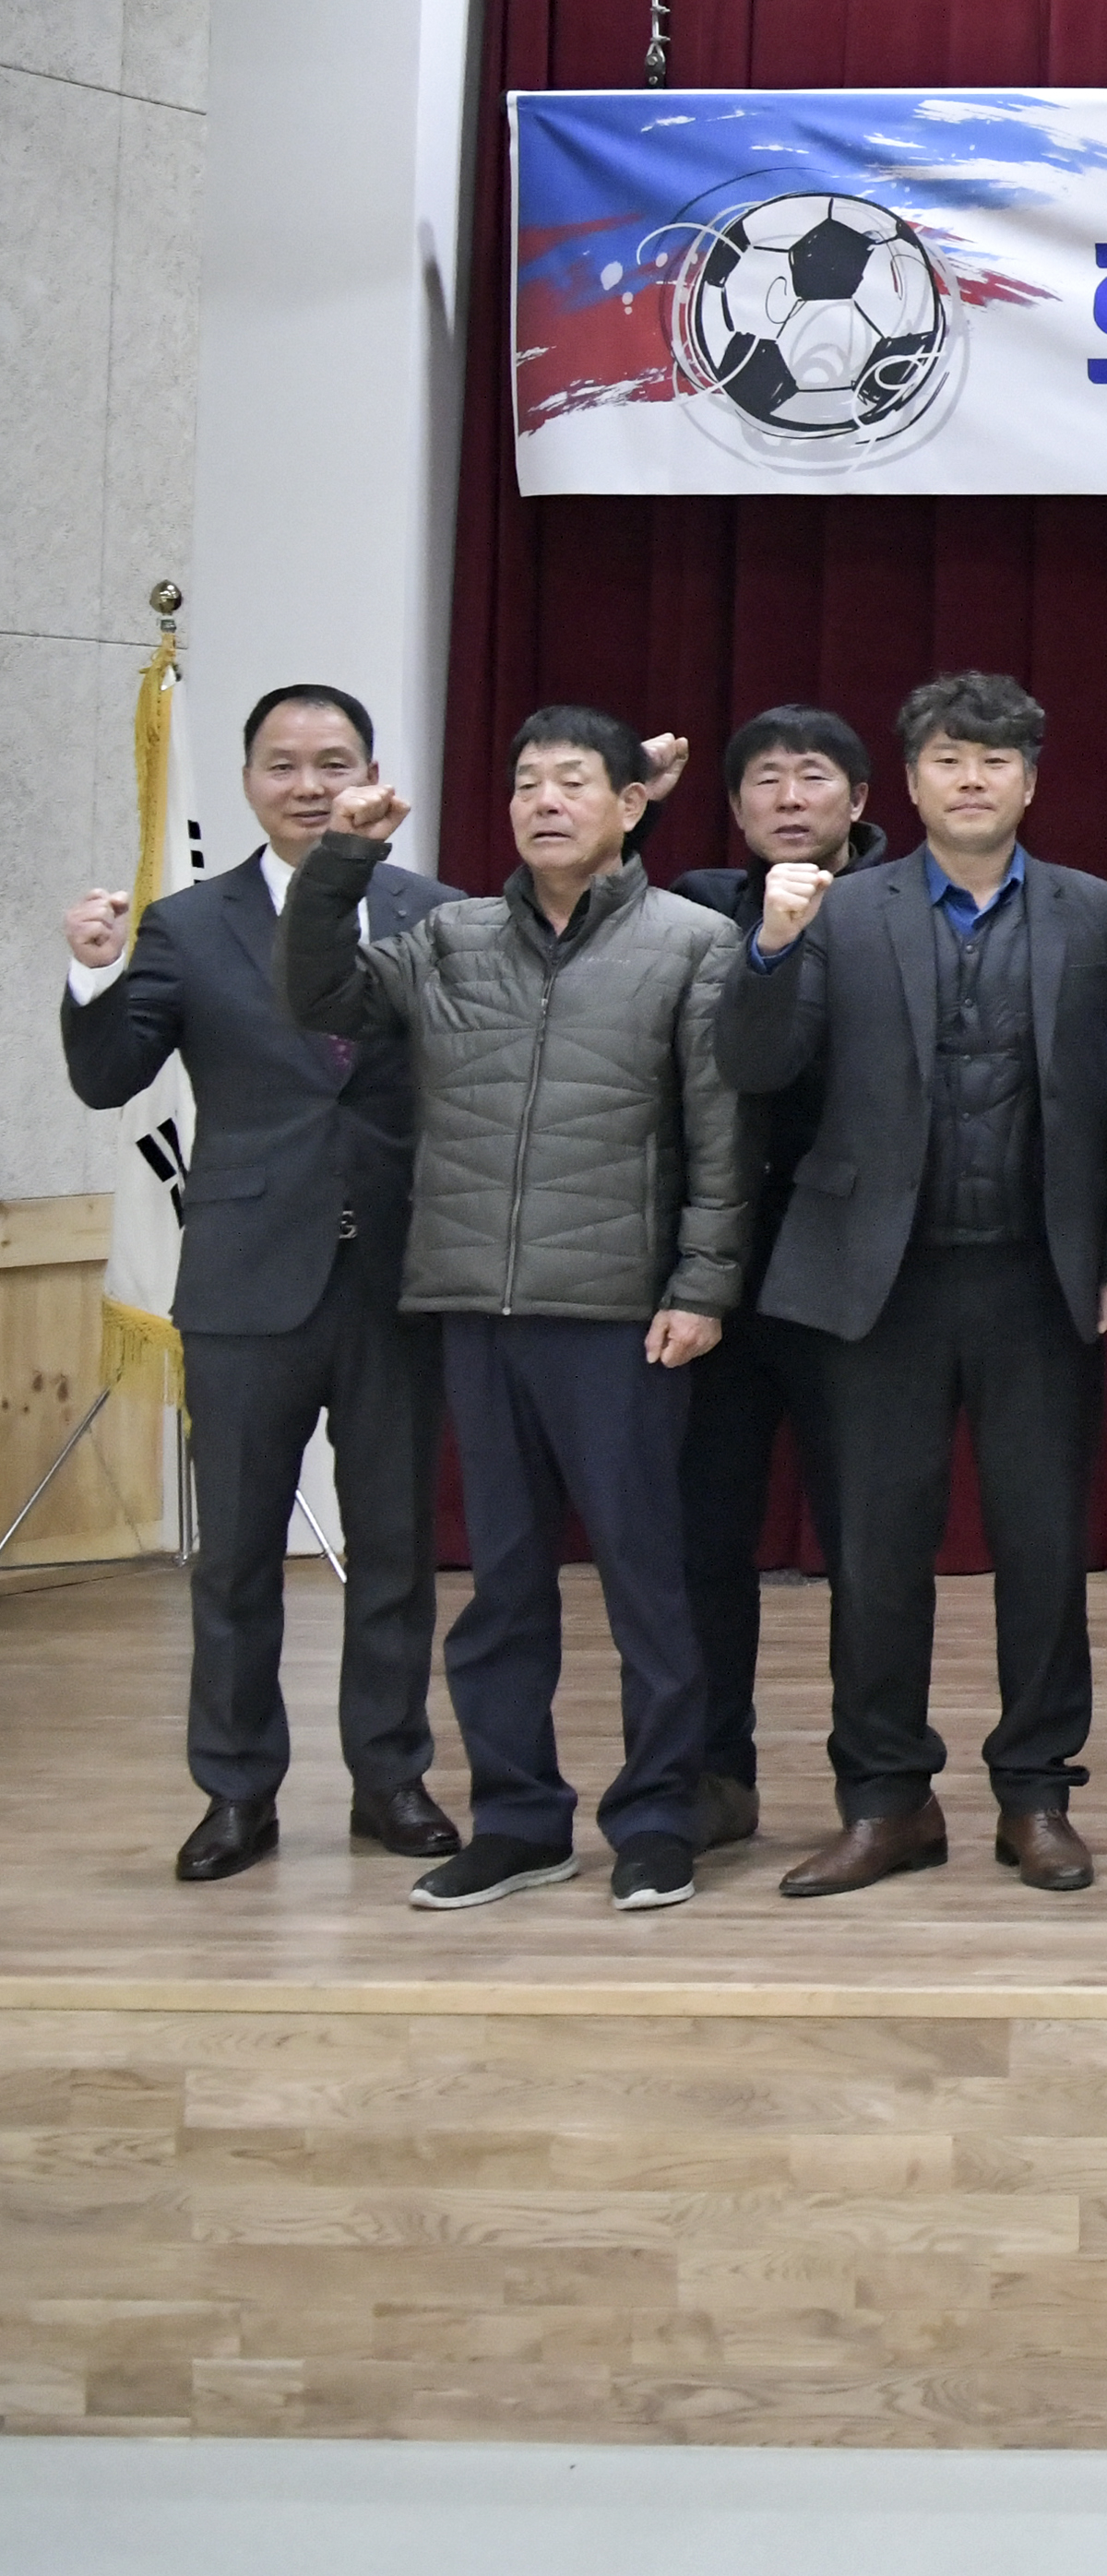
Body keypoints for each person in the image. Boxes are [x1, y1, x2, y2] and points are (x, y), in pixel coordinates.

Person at [277, 707, 746, 1915]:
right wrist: (344, 857)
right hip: (475, 1301)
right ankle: (520, 1818)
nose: (545, 801)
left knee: (646, 1583)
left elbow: (720, 1134)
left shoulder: (690, 941)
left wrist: (701, 1286)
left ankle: (653, 1817)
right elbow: (321, 992)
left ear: (628, 804)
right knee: (501, 1591)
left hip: (619, 1315)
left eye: (573, 781)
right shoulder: (446, 939)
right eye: (526, 781)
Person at [721, 671, 1107, 1901]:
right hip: (876, 1283)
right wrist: (769, 947)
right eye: (950, 759)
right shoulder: (838, 911)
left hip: (1036, 1276)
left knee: (1042, 1550)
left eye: (997, 760)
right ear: (907, 783)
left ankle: (1035, 1793)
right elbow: (753, 1065)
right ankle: (885, 1799)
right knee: (875, 1554)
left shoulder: (1097, 912)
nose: (972, 779)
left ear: (1031, 780)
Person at [58, 683, 458, 1882]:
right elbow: (110, 1074)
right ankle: (237, 1792)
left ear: (371, 775)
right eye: (281, 764)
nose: (306, 784)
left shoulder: (433, 912)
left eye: (331, 761)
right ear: (246, 781)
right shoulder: (184, 923)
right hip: (242, 1283)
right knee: (233, 1556)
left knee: (392, 1547)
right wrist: (91, 976)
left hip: (395, 1274)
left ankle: (390, 1779)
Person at [660, 705, 880, 1850]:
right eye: (764, 782)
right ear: (736, 808)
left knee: (866, 1544)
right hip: (721, 1267)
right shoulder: (696, 904)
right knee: (707, 1534)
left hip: (857, 1263)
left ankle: (874, 1786)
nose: (789, 799)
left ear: (857, 798)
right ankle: (713, 1774)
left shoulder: (901, 906)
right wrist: (633, 797)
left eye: (813, 778)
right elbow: (576, 903)